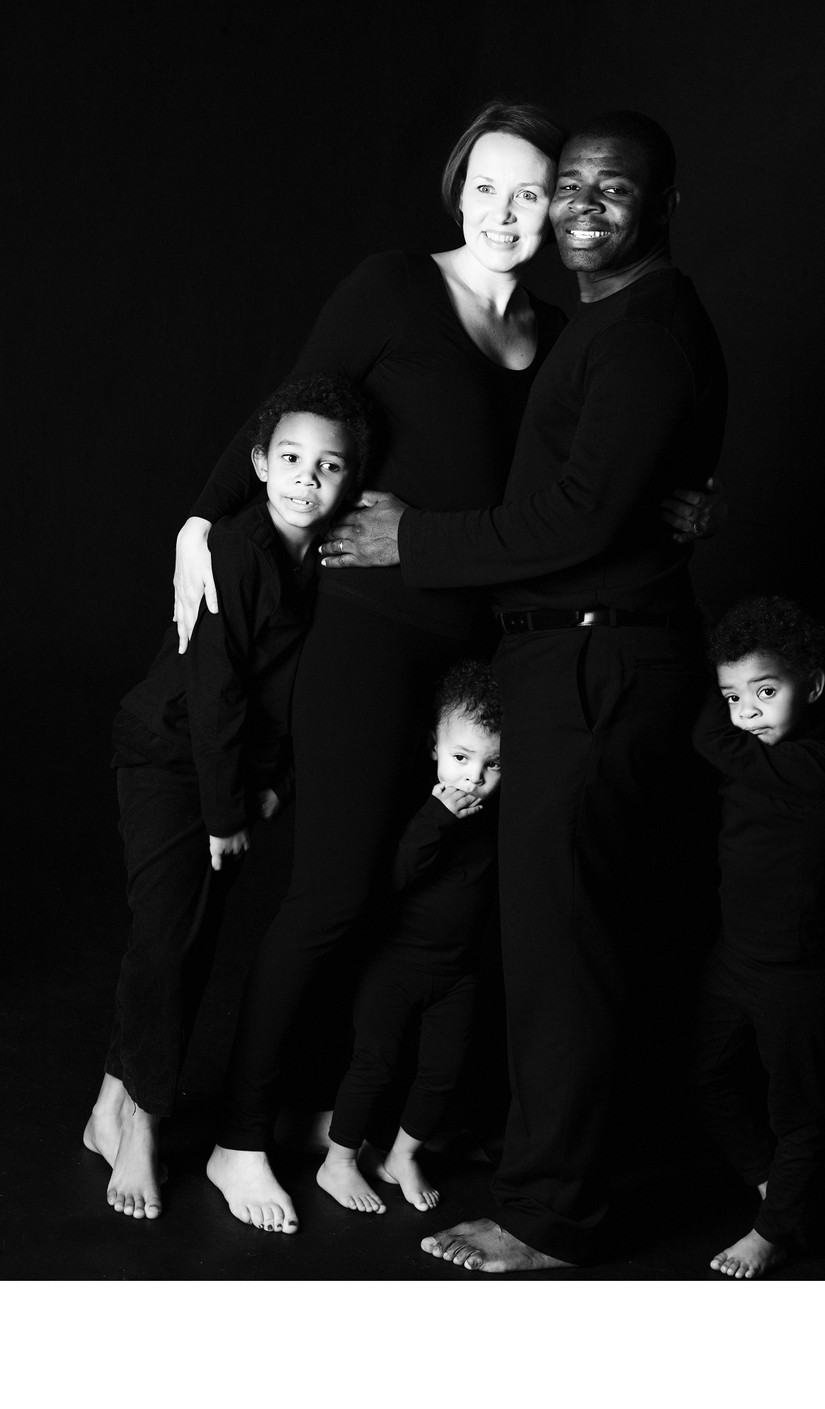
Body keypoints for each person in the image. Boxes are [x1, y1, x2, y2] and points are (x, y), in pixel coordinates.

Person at [172, 101, 713, 1234]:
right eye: (492, 187)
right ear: (457, 190)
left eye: (536, 190)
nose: (516, 211)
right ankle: (235, 1134)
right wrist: (200, 517)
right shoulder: (391, 288)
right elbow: (295, 404)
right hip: (372, 629)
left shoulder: (564, 333)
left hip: (482, 653)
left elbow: (584, 481)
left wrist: (677, 498)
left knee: (426, 899)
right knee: (330, 890)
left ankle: (344, 1118)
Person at [322, 111, 729, 1270]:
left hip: (600, 664)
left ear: (662, 206)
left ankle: (553, 1217)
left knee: (565, 949)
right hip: (573, 656)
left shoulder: (645, 331)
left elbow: (577, 517)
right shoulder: (610, 327)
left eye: (615, 187)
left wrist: (410, 538)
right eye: (571, 187)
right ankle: (555, 1159)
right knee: (560, 940)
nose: (584, 206)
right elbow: (609, 494)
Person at [82, 374, 371, 1220]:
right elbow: (215, 693)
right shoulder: (236, 551)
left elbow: (283, 690)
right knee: (168, 940)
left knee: (184, 942)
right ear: (257, 461)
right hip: (169, 754)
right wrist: (225, 815)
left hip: (232, 770)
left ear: (349, 481)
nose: (304, 479)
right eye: (288, 459)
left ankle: (112, 1099)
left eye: (327, 467)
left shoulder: (316, 559)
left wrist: (272, 783)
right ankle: (143, 1125)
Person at [318, 659, 501, 1215]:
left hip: (457, 972)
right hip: (394, 965)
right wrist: (437, 818)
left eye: (493, 765)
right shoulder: (420, 812)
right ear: (434, 748)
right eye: (461, 758)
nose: (472, 778)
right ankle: (339, 1161)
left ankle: (402, 1154)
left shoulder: (498, 816)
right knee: (374, 1064)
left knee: (442, 1073)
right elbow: (391, 880)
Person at [691, 596, 825, 1279]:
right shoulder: (749, 756)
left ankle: (773, 1229)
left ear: (810, 687)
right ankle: (770, 1186)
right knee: (707, 1076)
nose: (745, 712)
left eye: (765, 691)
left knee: (795, 1106)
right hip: (733, 957)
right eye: (730, 695)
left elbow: (709, 739)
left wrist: (709, 712)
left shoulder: (817, 764)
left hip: (792, 972)